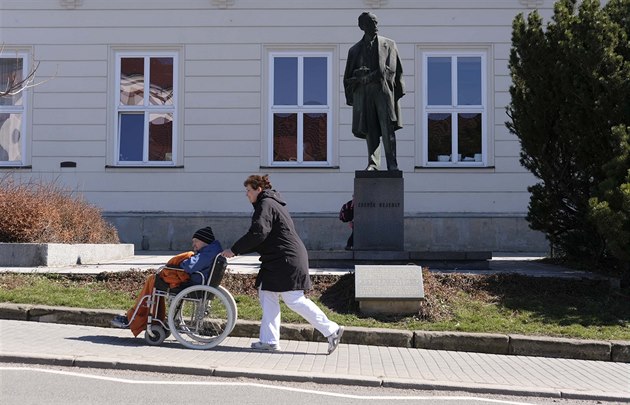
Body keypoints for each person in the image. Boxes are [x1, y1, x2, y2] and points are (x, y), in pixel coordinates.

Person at [221, 174, 344, 354]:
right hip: (278, 259)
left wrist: (234, 250)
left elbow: (258, 233)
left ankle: (332, 330)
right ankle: (269, 341)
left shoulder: (266, 204)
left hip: (286, 259)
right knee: (267, 293)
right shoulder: (271, 203)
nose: (246, 194)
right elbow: (264, 236)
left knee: (293, 299)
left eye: (248, 190)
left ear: (258, 190)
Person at [111, 226, 222, 337]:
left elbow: (189, 266)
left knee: (152, 280)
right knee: (154, 280)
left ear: (204, 241)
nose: (193, 245)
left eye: (195, 241)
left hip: (191, 286)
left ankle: (134, 318)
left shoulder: (207, 253)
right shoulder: (212, 251)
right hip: (196, 284)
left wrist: (184, 260)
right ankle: (145, 318)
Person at [343, 11, 405, 171]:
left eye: (376, 22)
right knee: (370, 129)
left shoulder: (389, 44)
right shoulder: (354, 50)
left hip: (382, 92)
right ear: (362, 26)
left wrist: (368, 77)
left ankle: (392, 164)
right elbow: (348, 77)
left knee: (387, 128)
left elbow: (391, 69)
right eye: (371, 23)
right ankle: (373, 163)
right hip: (364, 94)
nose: (375, 26)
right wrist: (358, 76)